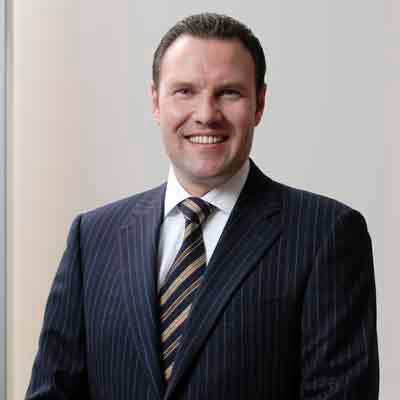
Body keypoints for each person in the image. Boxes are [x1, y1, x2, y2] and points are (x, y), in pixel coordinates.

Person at [26, 13, 379, 400]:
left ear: (259, 104)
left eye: (229, 92)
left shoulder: (325, 234)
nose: (207, 114)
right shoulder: (92, 237)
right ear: (156, 102)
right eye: (185, 91)